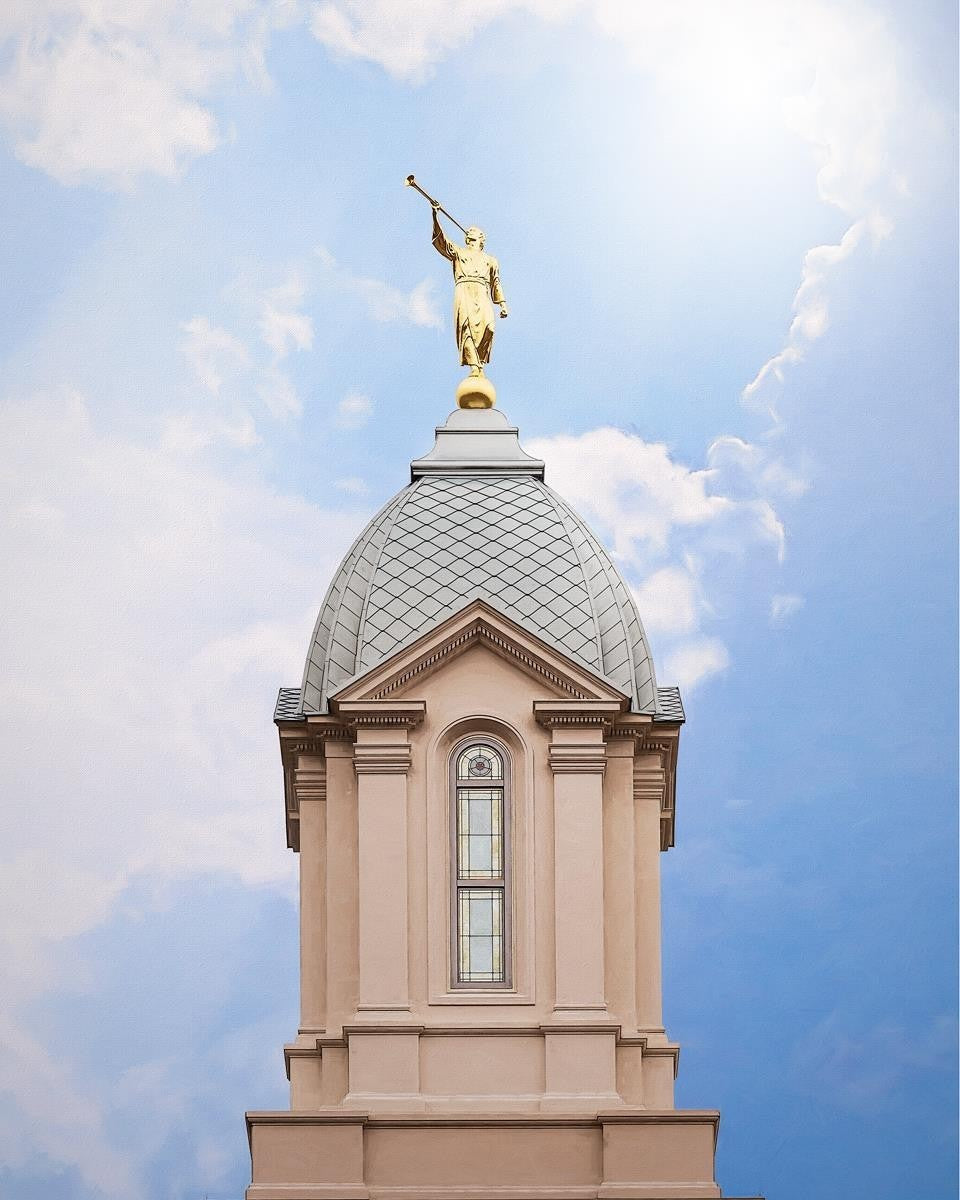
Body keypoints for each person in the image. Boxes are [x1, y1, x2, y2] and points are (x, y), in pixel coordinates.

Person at [431, 203, 508, 376]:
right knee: (466, 327)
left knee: (490, 326)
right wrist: (435, 216)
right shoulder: (459, 252)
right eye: (469, 230)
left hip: (482, 291)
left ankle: (479, 361)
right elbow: (441, 241)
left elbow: (496, 282)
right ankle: (474, 365)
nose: (470, 231)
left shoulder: (491, 260)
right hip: (464, 288)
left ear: (482, 238)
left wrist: (502, 304)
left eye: (474, 230)